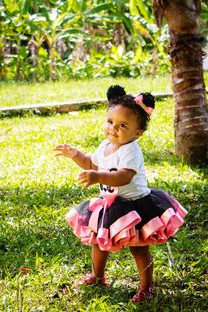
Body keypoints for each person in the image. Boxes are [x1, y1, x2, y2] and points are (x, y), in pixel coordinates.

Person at [54, 85, 187, 302]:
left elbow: (124, 176)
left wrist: (97, 177)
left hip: (135, 205)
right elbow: (90, 163)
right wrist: (75, 154)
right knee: (99, 242)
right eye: (110, 122)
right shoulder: (105, 145)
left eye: (122, 125)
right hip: (111, 205)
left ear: (137, 133)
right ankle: (97, 276)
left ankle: (146, 287)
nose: (113, 128)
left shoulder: (131, 150)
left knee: (139, 249)